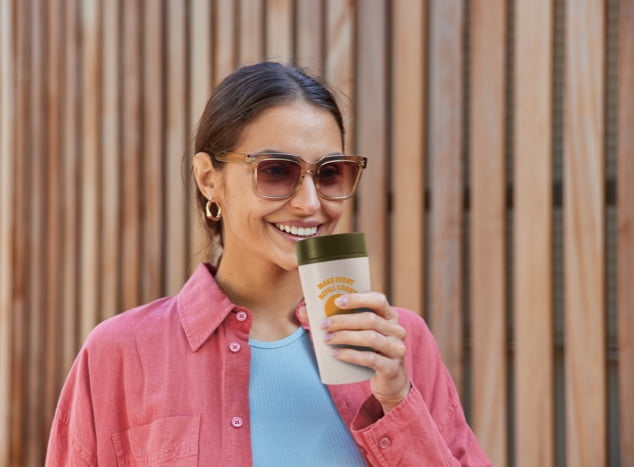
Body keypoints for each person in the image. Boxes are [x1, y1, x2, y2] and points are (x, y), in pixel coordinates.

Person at [46, 61, 491, 466]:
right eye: (277, 171)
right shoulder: (120, 353)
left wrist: (398, 402)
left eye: (330, 172)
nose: (310, 203)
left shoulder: (398, 343)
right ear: (209, 180)